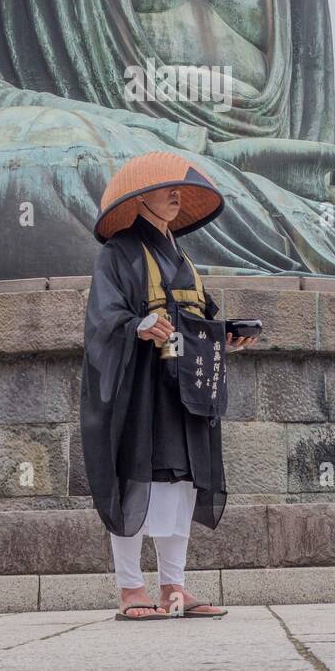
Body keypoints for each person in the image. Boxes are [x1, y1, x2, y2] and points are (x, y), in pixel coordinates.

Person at [81, 150, 251, 620]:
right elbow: (103, 319)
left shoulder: (184, 258)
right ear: (138, 198)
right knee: (136, 479)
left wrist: (229, 334)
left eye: (179, 189)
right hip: (141, 387)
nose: (175, 195)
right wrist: (138, 325)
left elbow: (202, 318)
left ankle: (174, 588)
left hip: (186, 389)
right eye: (165, 188)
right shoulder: (117, 253)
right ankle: (130, 589)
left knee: (183, 481)